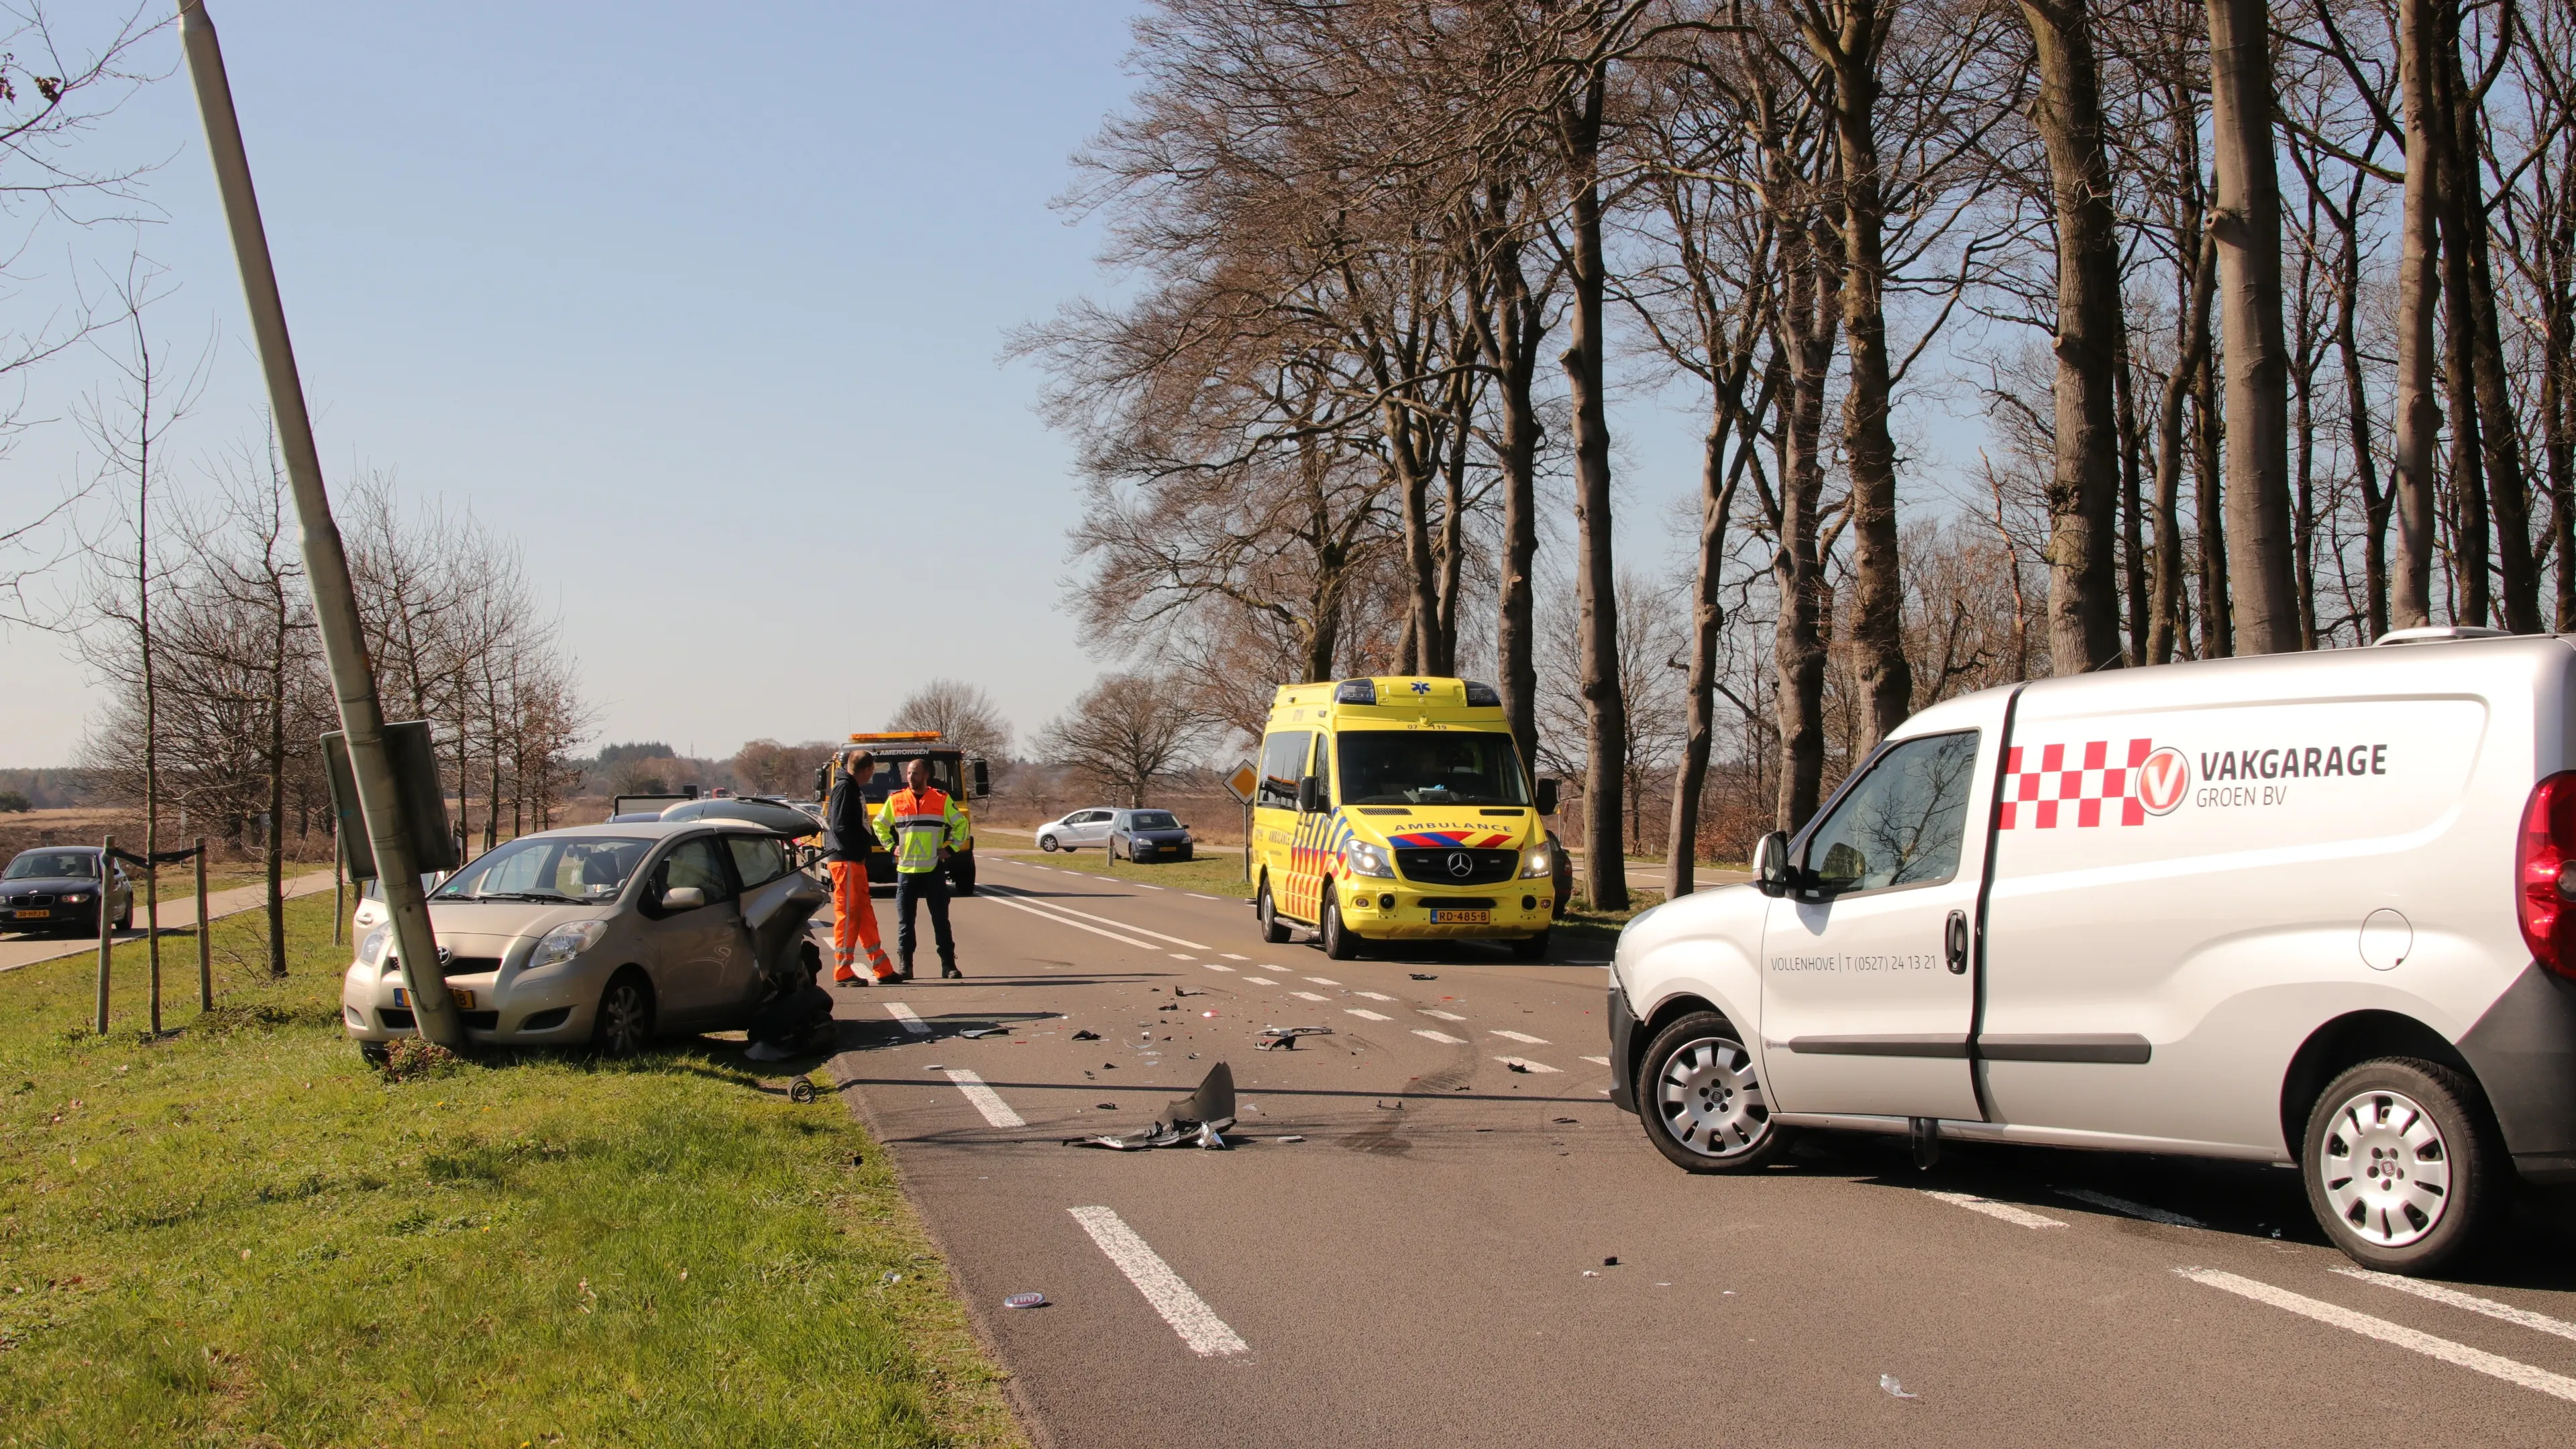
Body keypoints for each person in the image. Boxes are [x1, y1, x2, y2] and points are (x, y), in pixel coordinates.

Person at [875, 757, 966, 979]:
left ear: (926, 775)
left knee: (940, 921)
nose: (910, 777)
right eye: (908, 773)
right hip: (906, 872)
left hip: (933, 871)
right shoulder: (896, 800)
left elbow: (961, 824)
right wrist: (890, 846)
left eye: (915, 773)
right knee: (906, 922)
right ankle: (906, 964)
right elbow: (879, 824)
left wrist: (951, 848)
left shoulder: (941, 799)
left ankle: (948, 964)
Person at [821, 749, 897, 985]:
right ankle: (843, 970)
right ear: (866, 770)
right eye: (872, 771)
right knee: (849, 914)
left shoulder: (850, 787)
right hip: (846, 861)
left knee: (863, 912)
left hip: (853, 860)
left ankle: (881, 967)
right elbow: (841, 826)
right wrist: (856, 852)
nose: (872, 775)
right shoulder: (844, 788)